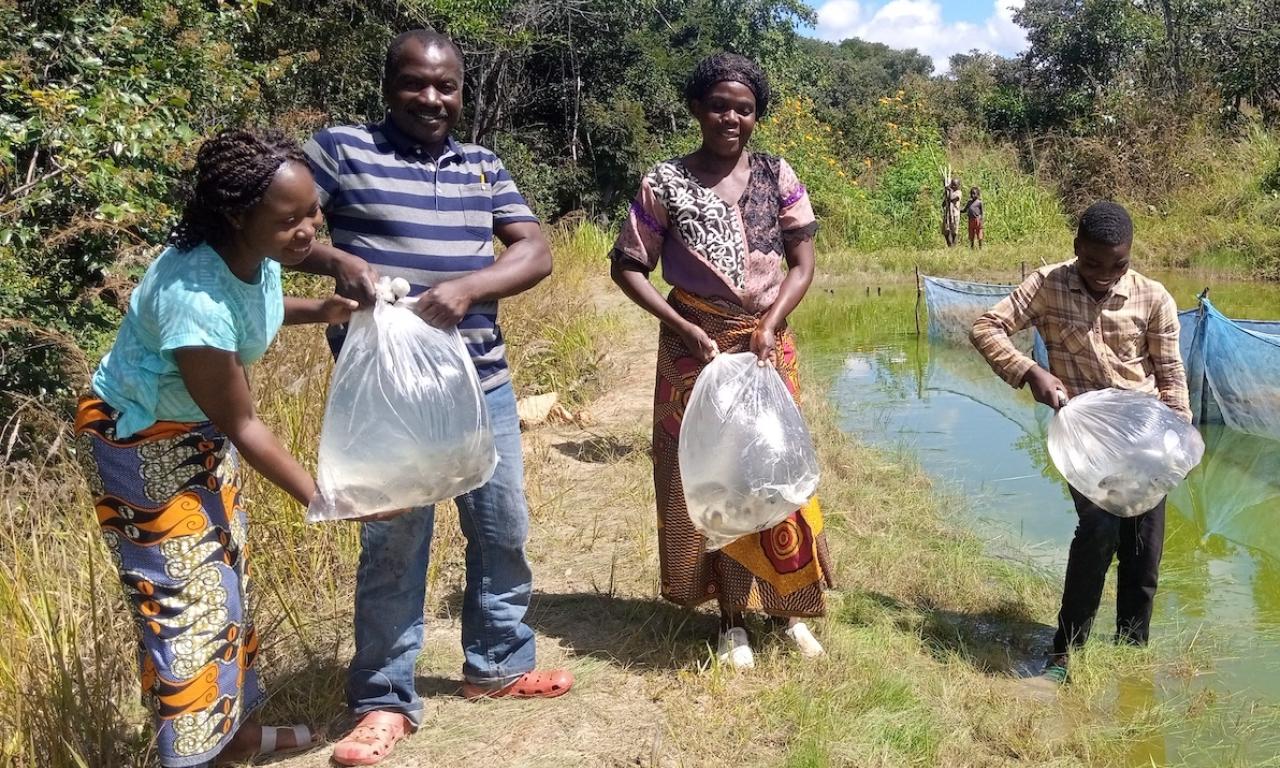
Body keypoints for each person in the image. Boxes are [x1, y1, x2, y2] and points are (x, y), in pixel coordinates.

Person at [301, 29, 569, 766]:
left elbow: (535, 250)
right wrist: (336, 258)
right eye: (416, 84)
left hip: (481, 382)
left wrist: (469, 287)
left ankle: (499, 666)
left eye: (445, 86)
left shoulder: (482, 164)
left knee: (503, 528)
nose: (431, 98)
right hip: (388, 399)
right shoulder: (341, 151)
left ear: (462, 92)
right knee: (395, 544)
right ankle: (383, 700)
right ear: (388, 85)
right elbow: (275, 224)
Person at [74, 129, 370, 766]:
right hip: (140, 445)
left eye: (314, 210)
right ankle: (192, 756)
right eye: (290, 219)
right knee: (185, 607)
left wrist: (321, 308)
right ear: (238, 214)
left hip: (196, 434)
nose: (310, 228)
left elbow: (254, 307)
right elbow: (246, 425)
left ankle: (232, 737)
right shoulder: (192, 298)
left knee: (225, 583)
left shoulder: (248, 252)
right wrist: (326, 499)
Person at [608, 52, 832, 671]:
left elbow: (803, 264)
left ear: (757, 115)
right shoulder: (666, 182)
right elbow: (627, 265)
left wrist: (770, 324)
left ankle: (787, 608)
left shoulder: (777, 174)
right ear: (695, 109)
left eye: (744, 108)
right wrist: (682, 325)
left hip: (765, 345)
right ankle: (730, 618)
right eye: (718, 105)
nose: (730, 117)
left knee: (775, 470)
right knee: (710, 478)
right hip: (693, 347)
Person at [969, 201, 1191, 683]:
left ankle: (1132, 652)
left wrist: (1178, 438)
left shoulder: (1153, 298)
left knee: (1143, 548)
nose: (1105, 276)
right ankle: (1065, 651)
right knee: (1098, 533)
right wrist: (1029, 370)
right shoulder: (1047, 285)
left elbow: (1171, 375)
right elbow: (986, 326)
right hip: (1086, 441)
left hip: (1145, 439)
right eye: (1093, 263)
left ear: (1130, 257)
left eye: (1118, 265)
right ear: (1076, 250)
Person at [942, 178, 962, 247]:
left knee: (954, 232)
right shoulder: (950, 192)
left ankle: (954, 245)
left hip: (954, 214)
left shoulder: (958, 193)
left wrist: (949, 190)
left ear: (958, 186)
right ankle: (949, 244)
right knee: (945, 230)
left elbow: (951, 198)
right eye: (952, 185)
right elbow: (944, 203)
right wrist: (946, 194)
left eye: (955, 185)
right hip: (947, 214)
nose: (953, 186)